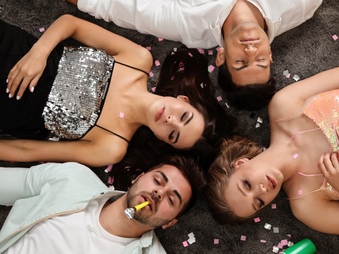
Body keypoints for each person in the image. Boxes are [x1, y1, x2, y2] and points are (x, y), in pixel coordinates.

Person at [0, 14, 232, 167]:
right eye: (183, 116)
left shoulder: (112, 147)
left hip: (9, 107)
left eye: (173, 134)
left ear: (163, 140)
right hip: (19, 51)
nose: (170, 120)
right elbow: (72, 24)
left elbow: (27, 150)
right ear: (183, 99)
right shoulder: (138, 60)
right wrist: (39, 52)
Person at [206, 64, 339, 246]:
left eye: (247, 185)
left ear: (239, 163)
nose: (262, 190)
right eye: (259, 202)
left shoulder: (283, 105)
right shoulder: (307, 206)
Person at [58, 0, 323, 110]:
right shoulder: (304, 0)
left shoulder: (185, 23)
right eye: (261, 60)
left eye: (241, 61)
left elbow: (110, 3)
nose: (251, 48)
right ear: (271, 55)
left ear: (221, 57)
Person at [0, 154, 205, 253]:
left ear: (170, 223)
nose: (158, 193)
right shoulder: (72, 178)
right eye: (158, 181)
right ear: (138, 178)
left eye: (171, 199)